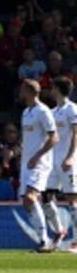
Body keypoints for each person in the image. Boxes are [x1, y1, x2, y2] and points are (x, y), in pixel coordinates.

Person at [19, 79, 58, 253]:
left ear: (30, 92)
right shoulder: (26, 112)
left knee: (30, 198)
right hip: (27, 163)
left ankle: (44, 241)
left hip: (40, 163)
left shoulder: (44, 111)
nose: (20, 92)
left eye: (22, 89)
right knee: (26, 203)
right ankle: (46, 238)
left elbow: (54, 138)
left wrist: (37, 156)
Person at [44, 77, 77, 248]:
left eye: (52, 87)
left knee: (72, 199)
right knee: (45, 197)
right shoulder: (52, 111)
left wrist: (71, 156)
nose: (50, 90)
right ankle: (60, 230)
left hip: (68, 160)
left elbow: (76, 134)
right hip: (52, 161)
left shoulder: (72, 109)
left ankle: (76, 241)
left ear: (58, 89)